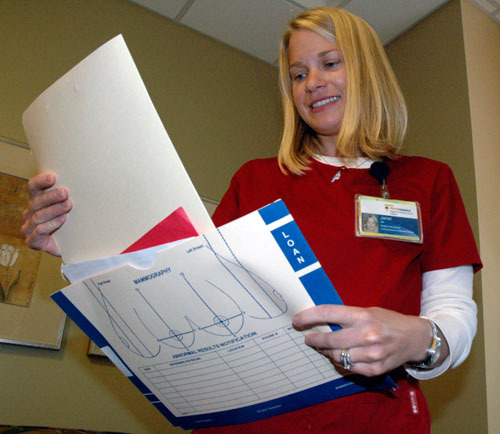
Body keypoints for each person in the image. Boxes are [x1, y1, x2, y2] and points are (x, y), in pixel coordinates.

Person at [22, 7, 481, 433]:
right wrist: (86, 240)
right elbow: (191, 289)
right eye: (298, 74)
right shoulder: (256, 178)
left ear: (368, 72)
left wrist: (420, 340)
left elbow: (453, 312)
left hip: (376, 418)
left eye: (330, 63)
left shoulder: (427, 180)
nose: (311, 82)